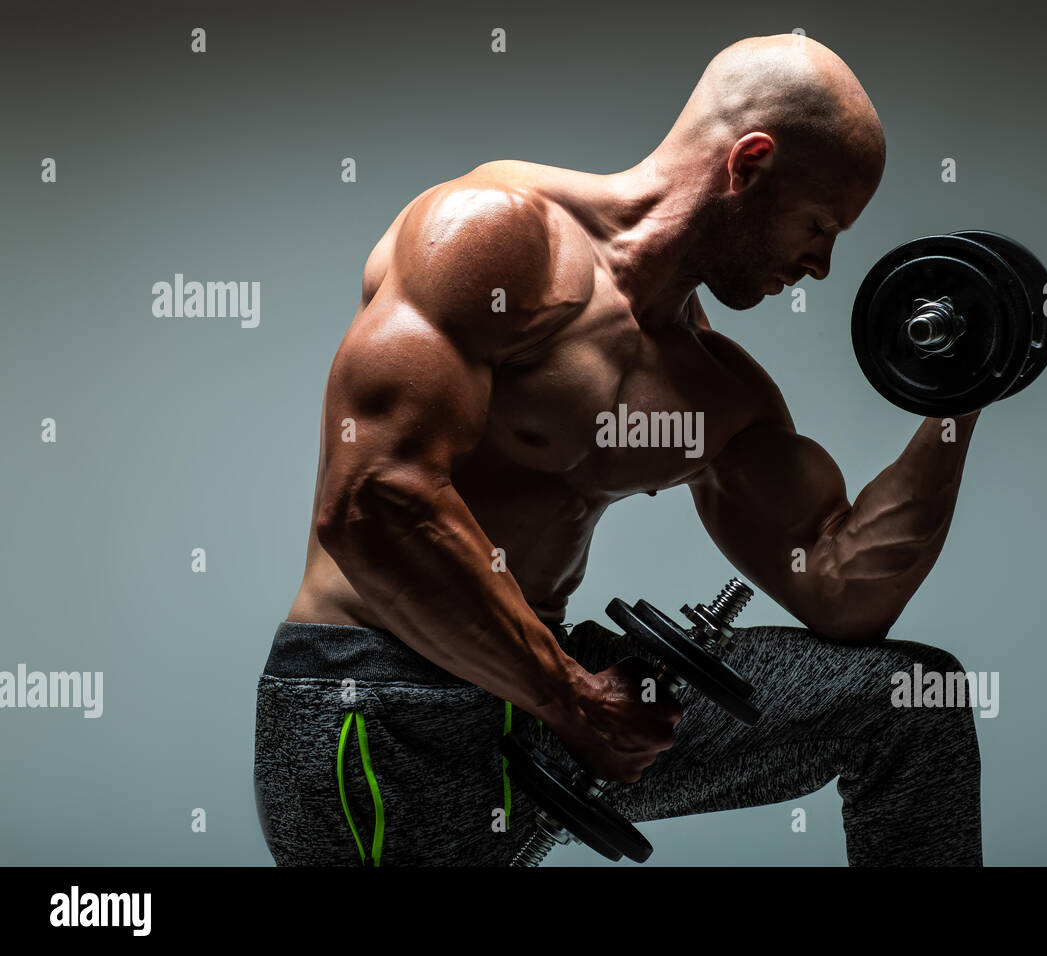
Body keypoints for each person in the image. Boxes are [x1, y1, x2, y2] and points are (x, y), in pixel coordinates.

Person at [255, 33, 982, 866]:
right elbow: (372, 502)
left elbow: (845, 588)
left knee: (905, 702)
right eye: (818, 224)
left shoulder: (716, 388)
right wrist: (570, 699)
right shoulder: (496, 238)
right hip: (381, 692)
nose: (820, 265)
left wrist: (961, 394)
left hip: (555, 690)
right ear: (749, 163)